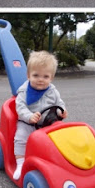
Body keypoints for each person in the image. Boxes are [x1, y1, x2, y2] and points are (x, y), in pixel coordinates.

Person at [13, 51, 68, 180]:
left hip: (47, 123)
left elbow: (59, 103)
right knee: (20, 137)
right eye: (36, 75)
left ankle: (59, 160)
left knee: (61, 136)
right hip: (28, 123)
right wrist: (29, 116)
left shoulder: (53, 91)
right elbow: (20, 107)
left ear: (51, 78)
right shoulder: (24, 91)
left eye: (45, 76)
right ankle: (20, 164)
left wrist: (62, 111)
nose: (40, 79)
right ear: (28, 75)